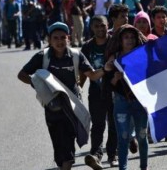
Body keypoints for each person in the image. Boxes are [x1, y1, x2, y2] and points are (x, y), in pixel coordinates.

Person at [17, 22, 112, 170]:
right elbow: (21, 75)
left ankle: (67, 162)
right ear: (49, 40)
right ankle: (63, 163)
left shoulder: (75, 55)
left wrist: (105, 69)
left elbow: (92, 75)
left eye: (63, 37)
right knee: (58, 148)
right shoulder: (42, 57)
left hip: (72, 106)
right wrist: (37, 85)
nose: (59, 41)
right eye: (55, 38)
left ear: (68, 38)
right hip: (52, 107)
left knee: (68, 148)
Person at [104, 25, 150, 170]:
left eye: (132, 37)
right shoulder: (115, 57)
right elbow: (107, 80)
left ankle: (144, 167)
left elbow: (149, 77)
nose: (129, 40)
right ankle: (123, 168)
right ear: (120, 40)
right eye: (126, 37)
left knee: (142, 137)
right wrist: (115, 77)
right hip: (121, 103)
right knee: (123, 138)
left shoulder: (142, 54)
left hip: (140, 102)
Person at [80, 16, 118, 169]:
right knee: (98, 125)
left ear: (107, 25)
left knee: (114, 124)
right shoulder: (87, 47)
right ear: (92, 28)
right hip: (96, 92)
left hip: (115, 91)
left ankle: (112, 155)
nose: (100, 29)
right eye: (96, 26)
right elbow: (83, 71)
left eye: (102, 26)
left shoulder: (114, 43)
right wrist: (78, 87)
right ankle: (96, 155)